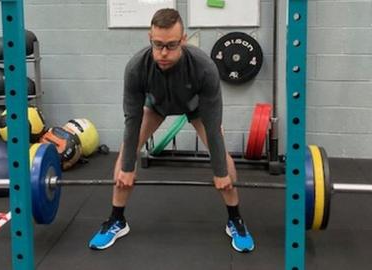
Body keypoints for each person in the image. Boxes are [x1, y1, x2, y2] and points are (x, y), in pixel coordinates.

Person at [88, 8, 254, 253]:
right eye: (158, 44)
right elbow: (132, 121)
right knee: (126, 153)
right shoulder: (136, 67)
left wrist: (220, 172)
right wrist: (126, 168)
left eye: (171, 45)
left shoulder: (204, 68)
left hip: (196, 109)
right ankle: (117, 220)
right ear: (150, 38)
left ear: (183, 40)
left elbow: (213, 123)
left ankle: (235, 219)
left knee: (222, 158)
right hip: (156, 107)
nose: (163, 52)